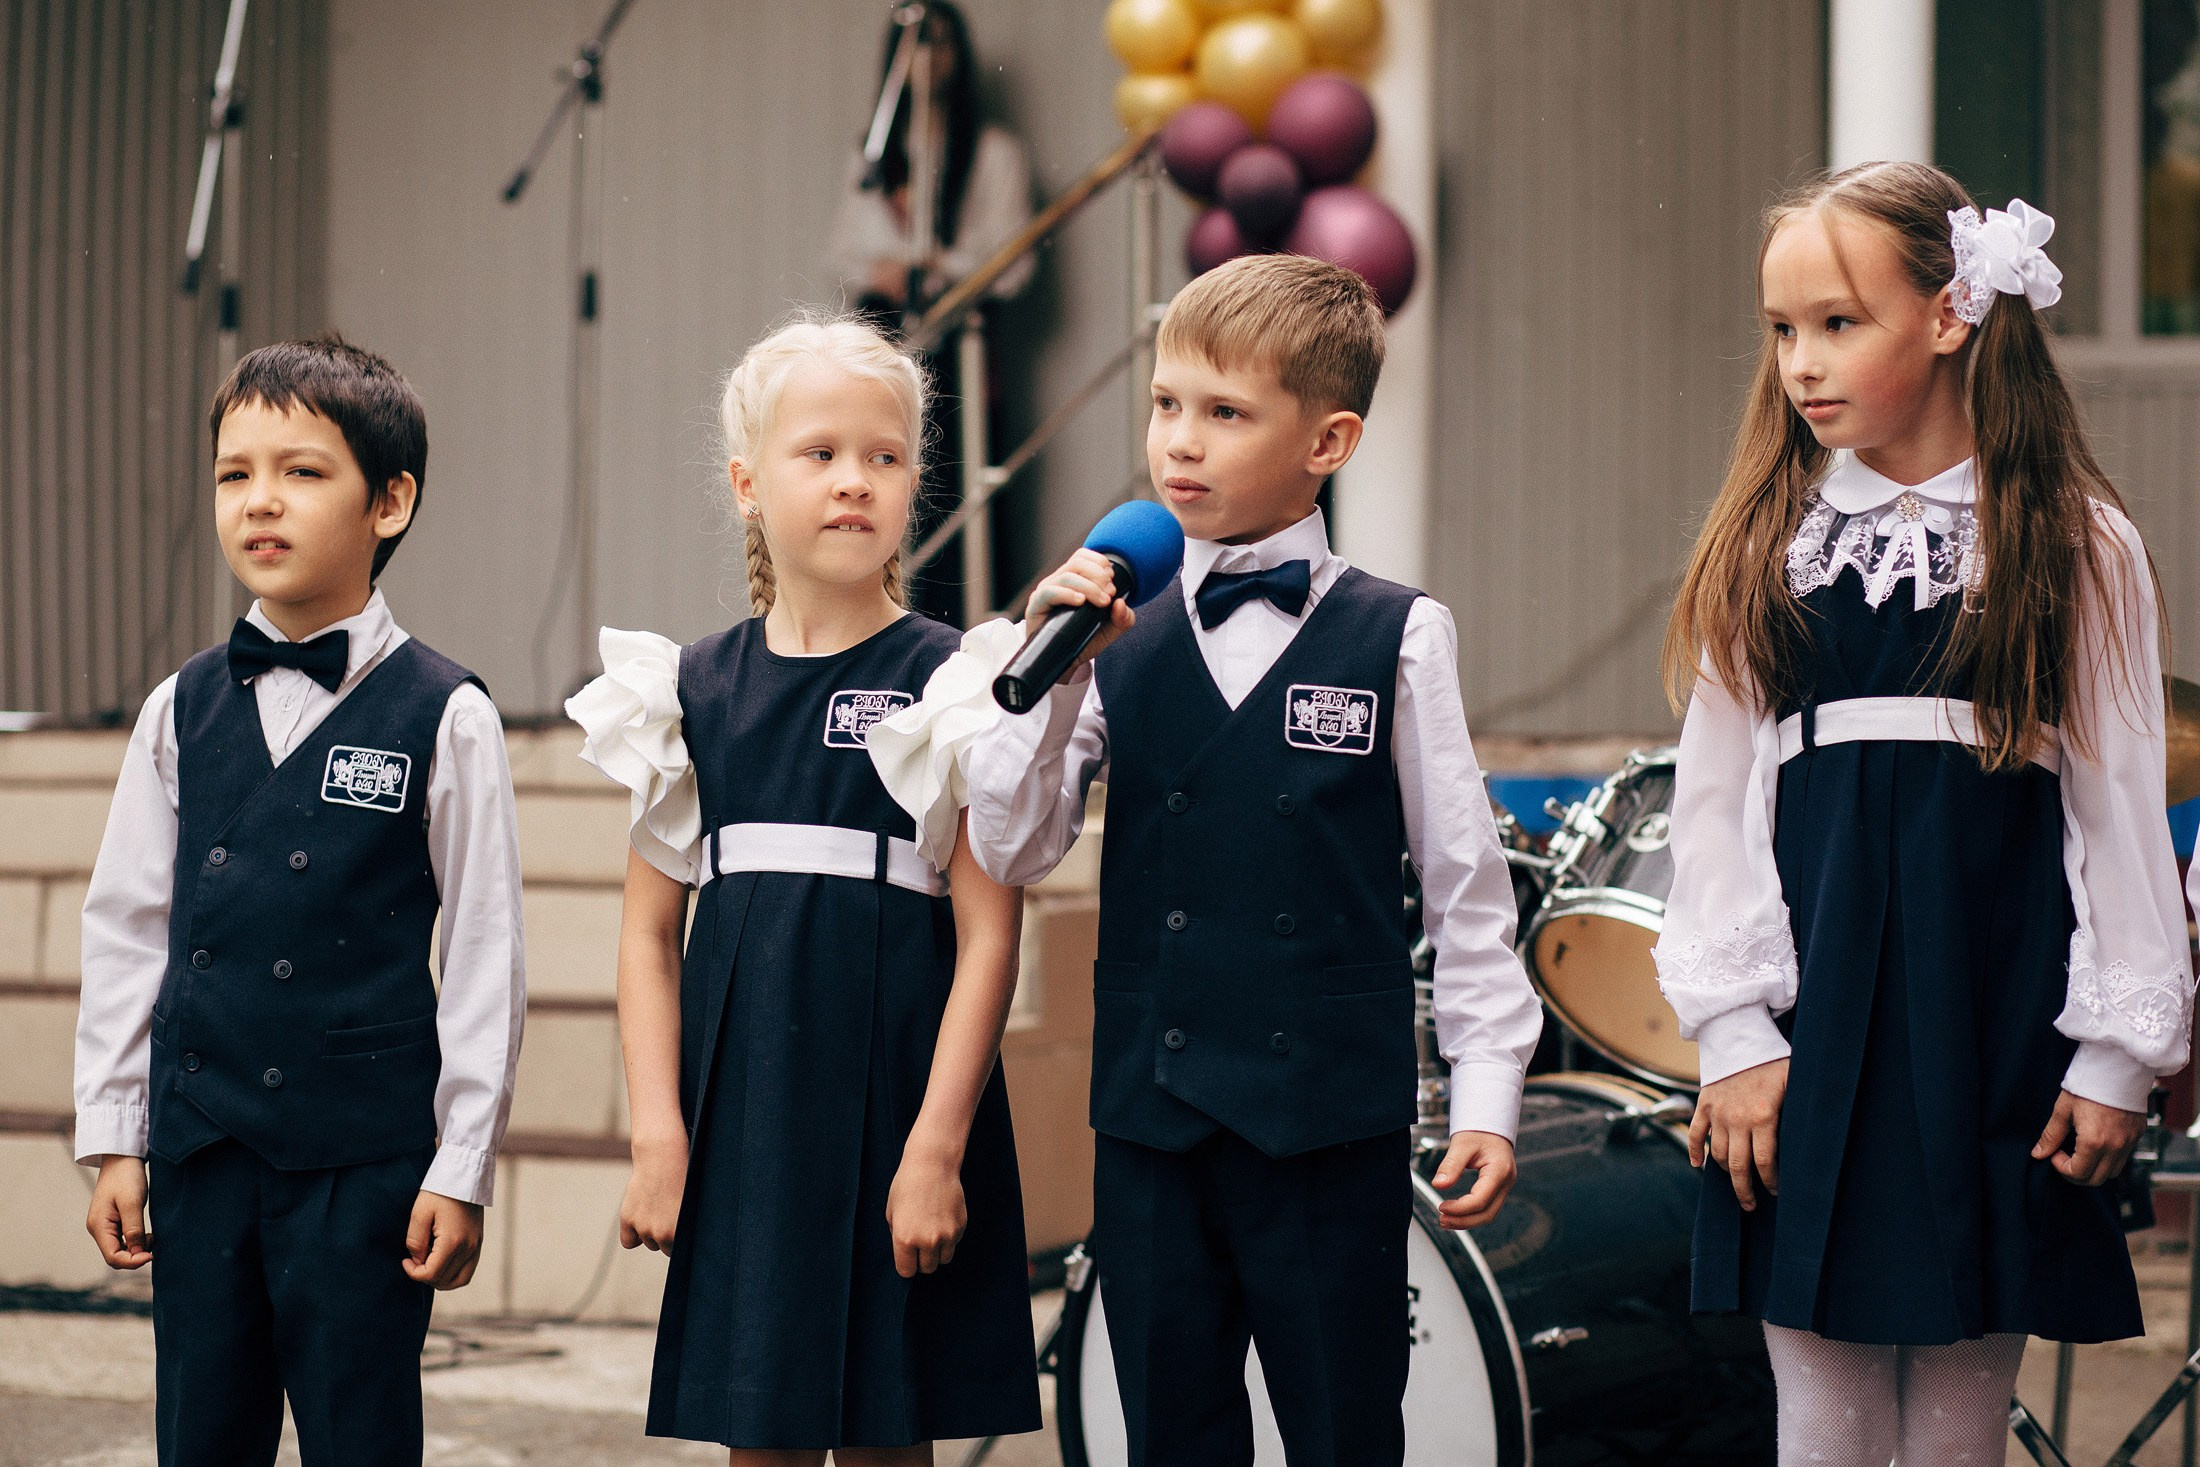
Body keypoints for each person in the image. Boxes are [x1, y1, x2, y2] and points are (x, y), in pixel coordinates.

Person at [871, 253, 1542, 1466]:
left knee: (1343, 1430)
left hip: (1323, 1123)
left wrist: (1488, 1090)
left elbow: (1464, 889)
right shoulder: (1109, 631)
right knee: (1171, 1433)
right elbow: (1014, 845)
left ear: (1326, 440)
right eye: (1166, 404)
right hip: (1152, 1120)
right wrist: (1051, 664)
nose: (1179, 442)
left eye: (1224, 414)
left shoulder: (1397, 632)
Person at [1655, 161, 2195, 1466]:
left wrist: (2117, 1052)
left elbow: (2119, 807)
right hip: (1808, 1020)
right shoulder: (1766, 536)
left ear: (1952, 313)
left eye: (1839, 323)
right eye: (1782, 329)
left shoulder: (2075, 542)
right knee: (1822, 1409)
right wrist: (1732, 1030)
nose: (1799, 362)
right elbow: (1714, 804)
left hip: (1993, 1016)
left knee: (1957, 1416)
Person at [566, 315, 1041, 1459]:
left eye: (882, 458)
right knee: (759, 1424)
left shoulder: (952, 682)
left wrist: (935, 1146)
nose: (853, 482)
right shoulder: (682, 692)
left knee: (892, 1427)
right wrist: (659, 1137)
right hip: (748, 1118)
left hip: (900, 1105)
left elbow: (988, 935)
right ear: (746, 483)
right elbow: (644, 935)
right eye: (818, 453)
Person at [73, 336, 527, 1466]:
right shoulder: (175, 708)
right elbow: (127, 928)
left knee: (361, 1439)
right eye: (235, 474)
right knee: (203, 1439)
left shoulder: (447, 713)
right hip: (203, 1145)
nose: (259, 502)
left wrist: (457, 1167)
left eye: (302, 472)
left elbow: (483, 954)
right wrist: (116, 1139)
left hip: (360, 1162)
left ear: (391, 500)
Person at [825, 0, 1035, 624]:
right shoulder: (873, 153)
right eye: (916, 44)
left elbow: (1013, 261)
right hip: (888, 333)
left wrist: (940, 267)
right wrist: (885, 268)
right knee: (878, 476)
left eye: (941, 44)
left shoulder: (993, 152)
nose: (929, 59)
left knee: (958, 488)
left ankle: (959, 632)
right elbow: (844, 249)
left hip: (962, 338)